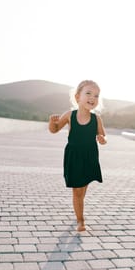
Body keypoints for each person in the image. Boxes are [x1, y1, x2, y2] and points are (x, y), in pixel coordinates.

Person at [48, 80, 107, 232]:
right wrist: (51, 122)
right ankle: (81, 220)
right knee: (77, 190)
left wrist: (102, 139)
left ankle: (79, 209)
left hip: (89, 158)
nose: (92, 97)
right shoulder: (69, 115)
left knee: (83, 190)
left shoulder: (96, 119)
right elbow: (54, 130)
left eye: (96, 95)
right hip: (74, 157)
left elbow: (103, 135)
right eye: (88, 93)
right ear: (77, 97)